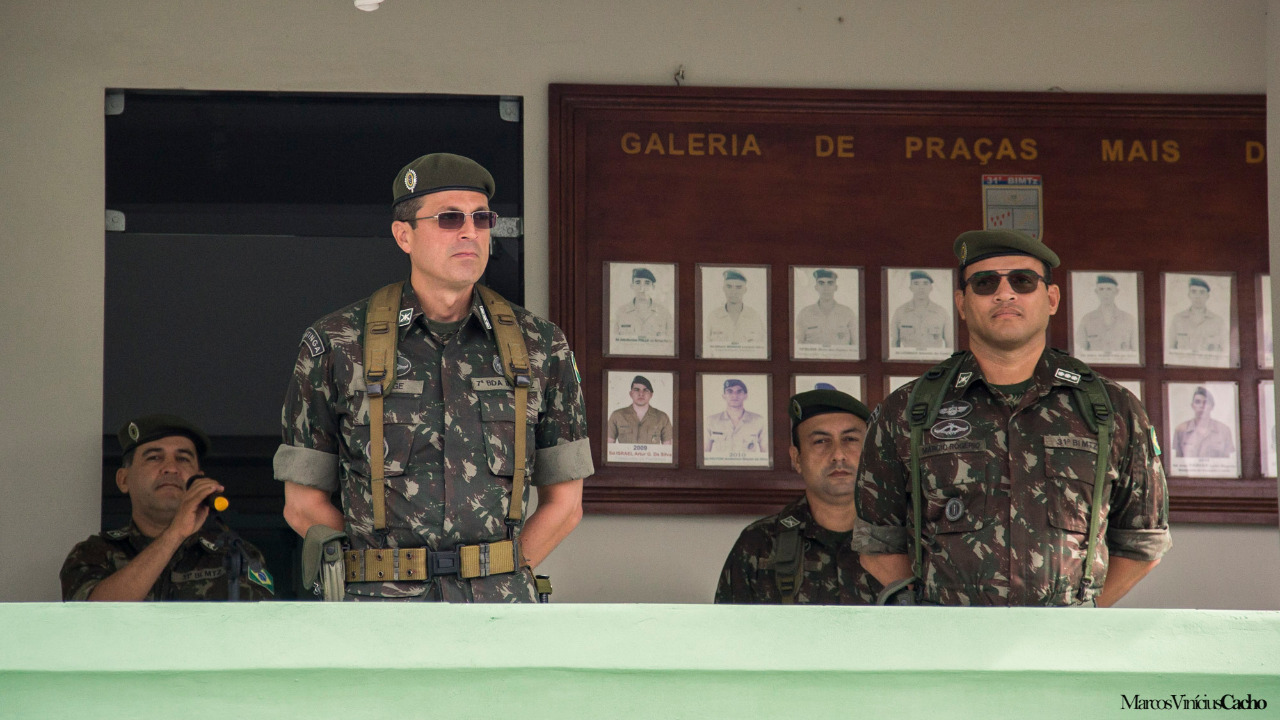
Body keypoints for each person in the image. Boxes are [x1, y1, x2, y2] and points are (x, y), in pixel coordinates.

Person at [275, 153, 593, 602]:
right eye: (449, 218)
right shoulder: (337, 342)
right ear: (404, 235)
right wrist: (375, 572)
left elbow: (565, 504)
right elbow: (302, 504)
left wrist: (500, 575)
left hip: (497, 614)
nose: (470, 231)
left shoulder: (540, 344)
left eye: (482, 219)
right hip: (378, 611)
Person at [853, 229, 1171, 607]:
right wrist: (929, 618)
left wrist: (1086, 617)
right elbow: (877, 541)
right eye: (985, 283)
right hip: (946, 649)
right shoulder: (908, 410)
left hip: (1069, 647)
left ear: (1051, 298)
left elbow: (1143, 540)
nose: (1005, 294)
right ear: (961, 302)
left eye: (1022, 281)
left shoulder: (1112, 410)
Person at [61, 414, 274, 601]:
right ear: (123, 480)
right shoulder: (94, 553)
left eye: (183, 458)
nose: (171, 468)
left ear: (199, 479)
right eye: (154, 457)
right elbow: (92, 617)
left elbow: (260, 633)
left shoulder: (235, 555)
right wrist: (175, 534)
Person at [715, 390, 881, 604]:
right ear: (797, 459)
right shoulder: (759, 544)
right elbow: (728, 634)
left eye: (850, 439)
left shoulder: (907, 540)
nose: (838, 454)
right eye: (821, 441)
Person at [704, 378, 766, 456]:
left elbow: (766, 454)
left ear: (745, 396)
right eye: (729, 391)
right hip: (720, 467)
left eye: (739, 392)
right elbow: (704, 455)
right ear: (724, 396)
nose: (734, 395)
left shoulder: (759, 421)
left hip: (748, 467)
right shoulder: (711, 421)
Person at [1076, 274, 1137, 352]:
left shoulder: (1129, 319)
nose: (1105, 293)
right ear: (1096, 292)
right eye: (1101, 289)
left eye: (1109, 289)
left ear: (1116, 291)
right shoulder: (1087, 319)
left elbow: (1136, 351)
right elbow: (1080, 350)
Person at [796, 269, 856, 346]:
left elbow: (856, 345)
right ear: (816, 287)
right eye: (821, 283)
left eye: (830, 283)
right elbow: (797, 347)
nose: (825, 287)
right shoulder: (804, 313)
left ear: (836, 287)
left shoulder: (848, 313)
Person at [891, 270, 949, 349]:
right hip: (907, 360)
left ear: (931, 287)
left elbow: (950, 344)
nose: (921, 287)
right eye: (916, 283)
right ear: (910, 287)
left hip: (935, 360)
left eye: (925, 283)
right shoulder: (900, 312)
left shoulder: (942, 313)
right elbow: (893, 344)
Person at [1171, 386, 1235, 458]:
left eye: (1206, 402)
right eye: (1197, 402)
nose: (1202, 406)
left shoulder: (1224, 430)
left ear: (1212, 406)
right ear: (1192, 406)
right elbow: (1178, 461)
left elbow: (1227, 462)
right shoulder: (1181, 430)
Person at [607, 375, 672, 445]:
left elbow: (667, 449)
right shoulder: (617, 416)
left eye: (645, 390)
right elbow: (608, 446)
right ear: (631, 394)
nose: (641, 394)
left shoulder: (662, 418)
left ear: (651, 395)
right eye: (636, 390)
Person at [706, 270, 765, 346]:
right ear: (723, 288)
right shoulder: (713, 317)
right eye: (729, 286)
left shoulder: (755, 317)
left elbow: (762, 349)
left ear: (745, 290)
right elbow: (706, 349)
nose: (733, 292)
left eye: (738, 287)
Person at [613, 267, 672, 342]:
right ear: (632, 286)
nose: (642, 288)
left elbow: (670, 344)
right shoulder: (620, 312)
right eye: (638, 283)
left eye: (647, 283)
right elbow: (614, 344)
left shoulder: (664, 313)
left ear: (653, 287)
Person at [1168, 277, 1226, 353]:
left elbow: (1224, 352)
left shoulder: (1218, 321)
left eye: (1202, 292)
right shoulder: (1177, 319)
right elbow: (1170, 350)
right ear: (1189, 295)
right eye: (1194, 291)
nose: (1197, 296)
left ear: (1207, 296)